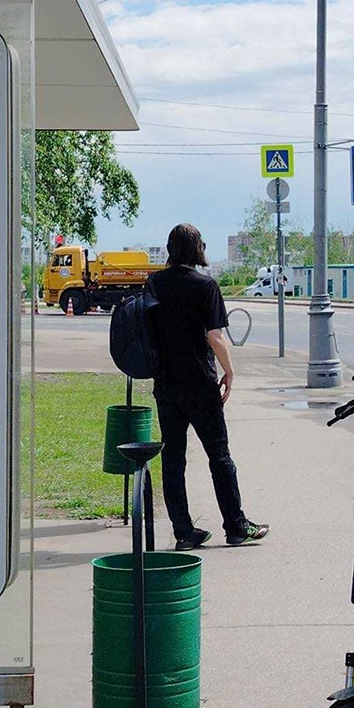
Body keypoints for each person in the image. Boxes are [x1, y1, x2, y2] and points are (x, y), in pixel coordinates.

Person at [147, 222, 267, 549]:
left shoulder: (154, 283)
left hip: (166, 384)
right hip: (200, 383)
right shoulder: (206, 286)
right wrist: (229, 371)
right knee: (219, 456)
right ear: (197, 248)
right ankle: (236, 525)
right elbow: (215, 337)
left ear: (170, 249)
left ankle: (184, 532)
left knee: (173, 459)